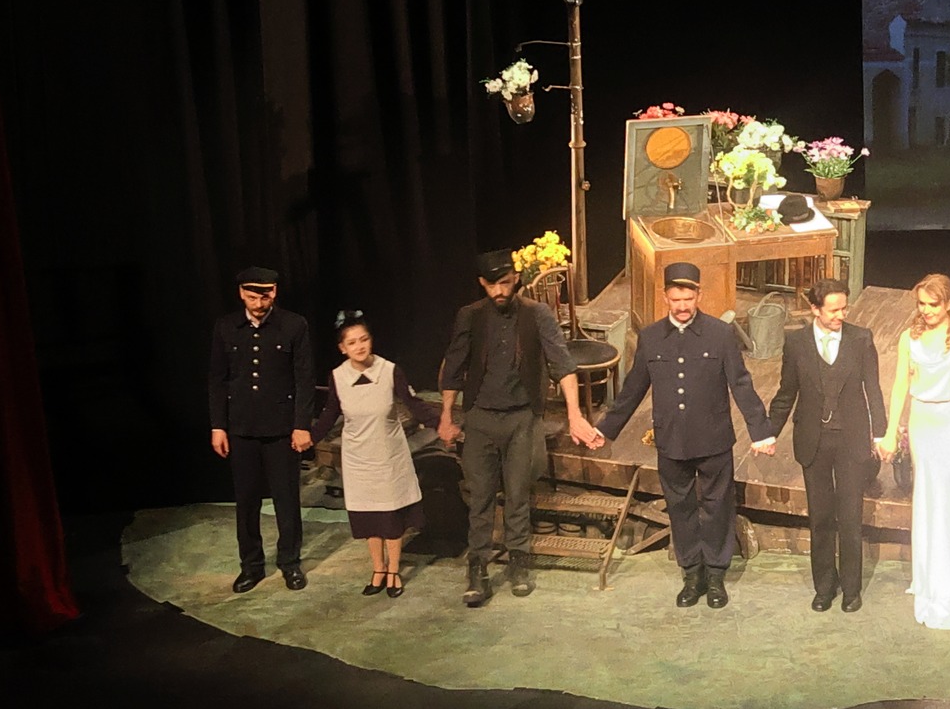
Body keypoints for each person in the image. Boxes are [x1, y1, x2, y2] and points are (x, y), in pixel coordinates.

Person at [592, 261, 776, 609]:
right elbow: (633, 389)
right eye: (676, 299)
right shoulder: (650, 337)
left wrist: (761, 431)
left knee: (717, 508)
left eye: (688, 299)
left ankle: (716, 575)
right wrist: (606, 429)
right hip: (672, 441)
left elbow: (741, 384)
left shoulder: (720, 335)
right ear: (665, 297)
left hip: (713, 439)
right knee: (681, 509)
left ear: (698, 295)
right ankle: (692, 574)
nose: (682, 306)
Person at [438, 249, 602, 608]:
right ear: (482, 283)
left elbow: (563, 365)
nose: (499, 291)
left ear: (515, 279)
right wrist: (446, 416)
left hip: (522, 418)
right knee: (480, 497)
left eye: (505, 283)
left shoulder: (536, 314)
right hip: (480, 418)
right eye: (492, 285)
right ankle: (478, 569)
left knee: (517, 494)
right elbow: (453, 366)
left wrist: (575, 415)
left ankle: (518, 562)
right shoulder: (470, 316)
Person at [876, 274, 950, 630]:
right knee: (929, 497)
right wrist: (891, 433)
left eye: (933, 304)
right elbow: (900, 386)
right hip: (924, 424)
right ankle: (930, 573)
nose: (926, 310)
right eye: (921, 304)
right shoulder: (908, 338)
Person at [766, 278, 890, 613]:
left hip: (851, 441)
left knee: (850, 517)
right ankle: (824, 587)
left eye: (844, 308)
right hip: (814, 441)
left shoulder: (861, 339)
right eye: (833, 310)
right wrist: (768, 432)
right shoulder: (796, 343)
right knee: (820, 517)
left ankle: (851, 589)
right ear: (815, 309)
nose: (840, 315)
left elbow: (873, 390)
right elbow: (786, 392)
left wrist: (880, 434)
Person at [309, 310, 441, 598]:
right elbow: (330, 412)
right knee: (370, 516)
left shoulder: (389, 370)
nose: (359, 346)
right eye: (352, 342)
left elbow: (412, 403)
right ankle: (378, 569)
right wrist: (310, 437)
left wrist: (439, 423)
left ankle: (393, 570)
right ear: (342, 348)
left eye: (364, 339)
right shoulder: (338, 376)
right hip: (358, 458)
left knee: (391, 516)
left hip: (388, 455)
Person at [208, 265, 315, 593]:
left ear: (274, 293)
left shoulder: (293, 325)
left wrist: (301, 425)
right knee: (247, 502)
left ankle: (290, 562)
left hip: (281, 428)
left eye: (265, 296)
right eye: (253, 296)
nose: (259, 303)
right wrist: (218, 426)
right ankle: (251, 566)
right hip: (241, 428)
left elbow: (304, 378)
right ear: (241, 293)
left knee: (286, 499)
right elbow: (217, 379)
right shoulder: (226, 327)